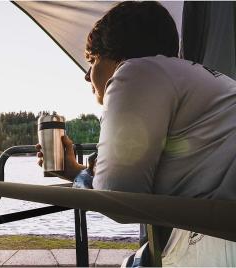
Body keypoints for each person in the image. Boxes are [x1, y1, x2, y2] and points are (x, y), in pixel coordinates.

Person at [36, 1, 236, 266]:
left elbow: (118, 200)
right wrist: (76, 172)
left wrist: (82, 179)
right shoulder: (200, 79)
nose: (87, 76)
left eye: (93, 60)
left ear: (116, 55)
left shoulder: (136, 71)